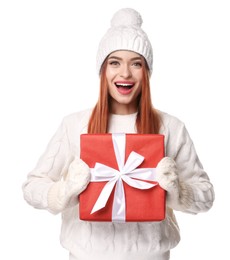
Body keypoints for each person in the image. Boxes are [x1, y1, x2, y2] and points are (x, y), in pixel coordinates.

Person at [22, 8, 214, 260]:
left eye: (136, 63)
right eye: (115, 62)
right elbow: (31, 187)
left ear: (147, 72)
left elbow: (206, 195)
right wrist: (65, 190)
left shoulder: (172, 127)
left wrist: (177, 189)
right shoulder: (74, 124)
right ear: (103, 70)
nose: (125, 73)